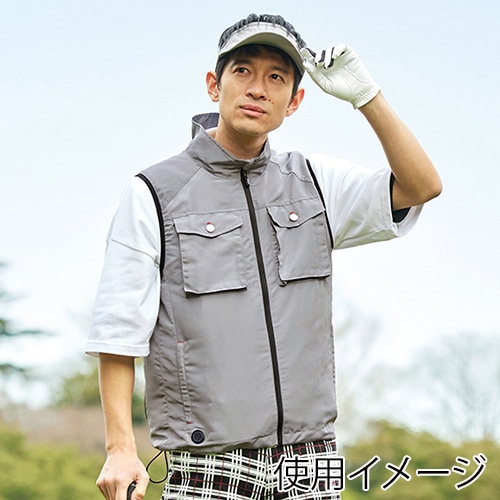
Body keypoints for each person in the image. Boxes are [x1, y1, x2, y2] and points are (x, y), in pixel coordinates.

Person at [86, 13, 442, 500]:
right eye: (243, 71)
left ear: (294, 102)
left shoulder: (313, 182)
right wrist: (120, 448)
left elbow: (422, 186)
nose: (258, 88)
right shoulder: (154, 192)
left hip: (311, 459)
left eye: (276, 77)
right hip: (209, 462)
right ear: (214, 85)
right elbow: (117, 331)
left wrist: (367, 98)